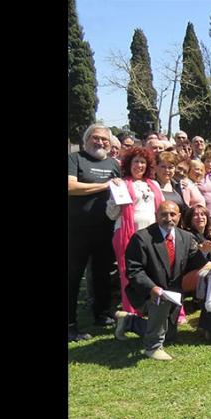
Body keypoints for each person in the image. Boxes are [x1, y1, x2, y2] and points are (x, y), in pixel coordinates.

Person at [115, 201, 211, 361]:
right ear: (156, 216)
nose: (169, 218)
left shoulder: (185, 237)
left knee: (170, 335)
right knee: (161, 298)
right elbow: (134, 271)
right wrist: (152, 288)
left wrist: (207, 254)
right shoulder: (141, 238)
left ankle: (128, 322)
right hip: (146, 293)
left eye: (173, 214)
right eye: (164, 214)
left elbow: (196, 263)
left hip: (172, 296)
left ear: (179, 216)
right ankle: (153, 347)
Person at [68, 124, 122, 341]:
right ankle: (70, 324)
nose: (100, 143)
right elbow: (71, 187)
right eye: (95, 138)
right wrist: (104, 186)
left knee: (102, 275)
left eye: (105, 140)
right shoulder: (75, 159)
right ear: (86, 140)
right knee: (73, 277)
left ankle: (101, 314)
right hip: (77, 230)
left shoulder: (113, 164)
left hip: (105, 229)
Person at [106, 147, 164, 316]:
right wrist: (115, 197)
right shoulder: (121, 184)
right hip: (127, 234)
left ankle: (152, 307)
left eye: (143, 162)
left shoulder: (154, 185)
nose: (139, 165)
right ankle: (132, 309)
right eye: (136, 161)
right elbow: (111, 215)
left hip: (151, 236)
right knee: (129, 273)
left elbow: (161, 210)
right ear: (128, 164)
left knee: (152, 272)